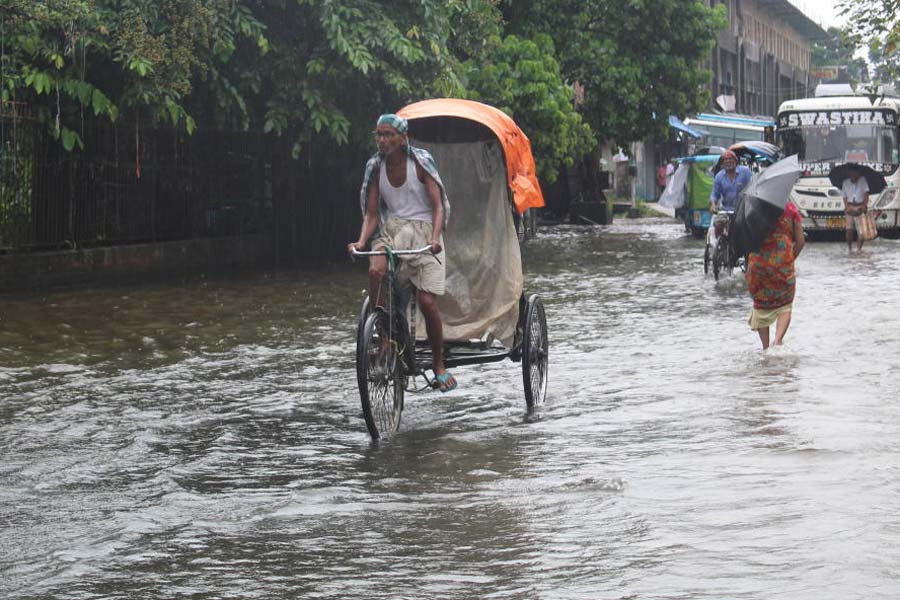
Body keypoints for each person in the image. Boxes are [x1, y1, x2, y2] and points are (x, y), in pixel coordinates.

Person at [348, 113, 457, 392]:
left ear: (402, 138)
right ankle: (384, 338)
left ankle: (438, 363)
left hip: (425, 235)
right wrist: (361, 243)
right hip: (393, 232)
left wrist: (435, 238)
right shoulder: (375, 168)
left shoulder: (419, 163)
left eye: (388, 135)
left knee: (427, 301)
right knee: (375, 270)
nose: (382, 140)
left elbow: (438, 207)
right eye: (379, 135)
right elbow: (372, 214)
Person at [745, 201, 805, 349]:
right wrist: (790, 260)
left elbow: (747, 239)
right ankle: (777, 341)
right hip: (782, 263)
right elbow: (801, 242)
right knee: (785, 305)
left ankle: (765, 348)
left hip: (758, 265)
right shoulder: (791, 209)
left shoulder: (754, 208)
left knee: (760, 306)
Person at [708, 150, 752, 246]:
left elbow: (752, 187)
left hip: (743, 210)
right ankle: (718, 246)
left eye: (730, 159)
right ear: (723, 163)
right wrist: (713, 204)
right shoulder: (719, 176)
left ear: (736, 161)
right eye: (726, 159)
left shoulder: (745, 172)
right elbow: (714, 194)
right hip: (726, 210)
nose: (728, 161)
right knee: (718, 225)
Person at [841, 165, 870, 252]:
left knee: (862, 232)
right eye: (852, 173)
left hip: (860, 206)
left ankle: (858, 249)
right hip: (850, 207)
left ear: (858, 173)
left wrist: (864, 205)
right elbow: (844, 197)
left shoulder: (863, 180)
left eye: (855, 173)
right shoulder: (845, 182)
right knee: (849, 230)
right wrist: (846, 207)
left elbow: (866, 193)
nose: (854, 175)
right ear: (849, 174)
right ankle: (849, 248)